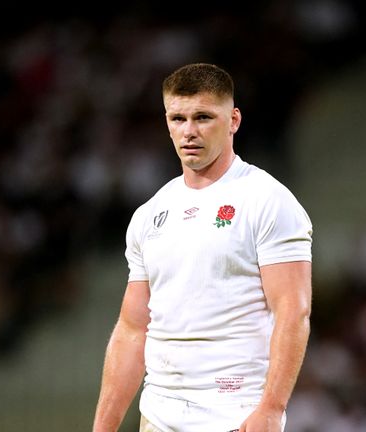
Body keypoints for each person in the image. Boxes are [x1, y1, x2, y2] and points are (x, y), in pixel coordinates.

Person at [93, 63, 313, 432]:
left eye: (203, 117)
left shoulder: (268, 200)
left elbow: (293, 312)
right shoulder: (150, 214)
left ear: (234, 120)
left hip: (235, 414)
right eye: (178, 118)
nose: (189, 131)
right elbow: (133, 328)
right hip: (159, 414)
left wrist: (272, 408)